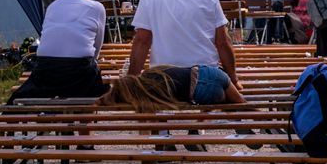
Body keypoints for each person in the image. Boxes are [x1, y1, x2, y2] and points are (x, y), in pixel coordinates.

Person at [126, 0, 237, 86]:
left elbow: (142, 41)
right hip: (205, 81)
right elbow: (222, 42)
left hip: (164, 81)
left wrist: (131, 80)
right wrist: (233, 80)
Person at [11, 0, 107, 101]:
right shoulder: (97, 8)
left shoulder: (53, 6)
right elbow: (96, 50)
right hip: (79, 73)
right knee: (96, 92)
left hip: (45, 71)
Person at [99, 64, 244, 108]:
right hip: (210, 73)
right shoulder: (151, 74)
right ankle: (254, 124)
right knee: (241, 105)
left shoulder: (148, 97)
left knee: (229, 103)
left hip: (200, 93)